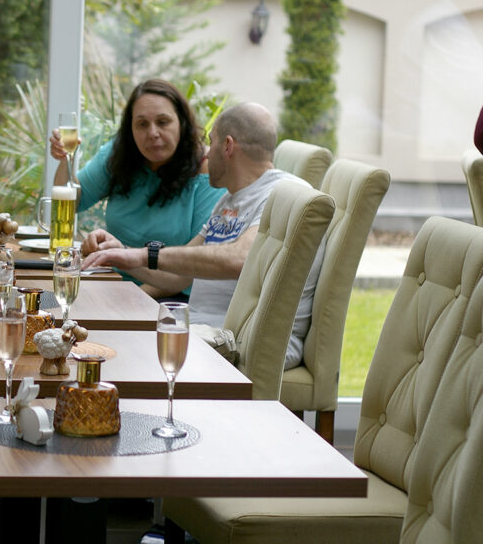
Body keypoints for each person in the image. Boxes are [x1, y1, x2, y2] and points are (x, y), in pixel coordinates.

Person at [83, 102, 322, 369]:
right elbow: (179, 276)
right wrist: (122, 254)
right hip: (202, 330)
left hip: (234, 341)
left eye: (211, 142)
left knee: (110, 352)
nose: (206, 154)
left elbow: (241, 259)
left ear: (227, 146)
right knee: (91, 334)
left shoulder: (282, 193)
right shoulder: (231, 199)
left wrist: (144, 254)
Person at [49, 79, 225, 297]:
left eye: (163, 122)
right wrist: (64, 158)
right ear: (130, 128)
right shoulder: (118, 155)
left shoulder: (206, 169)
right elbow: (72, 202)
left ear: (182, 123)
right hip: (109, 282)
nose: (152, 133)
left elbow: (194, 266)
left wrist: (133, 299)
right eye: (142, 124)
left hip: (167, 298)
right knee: (44, 302)